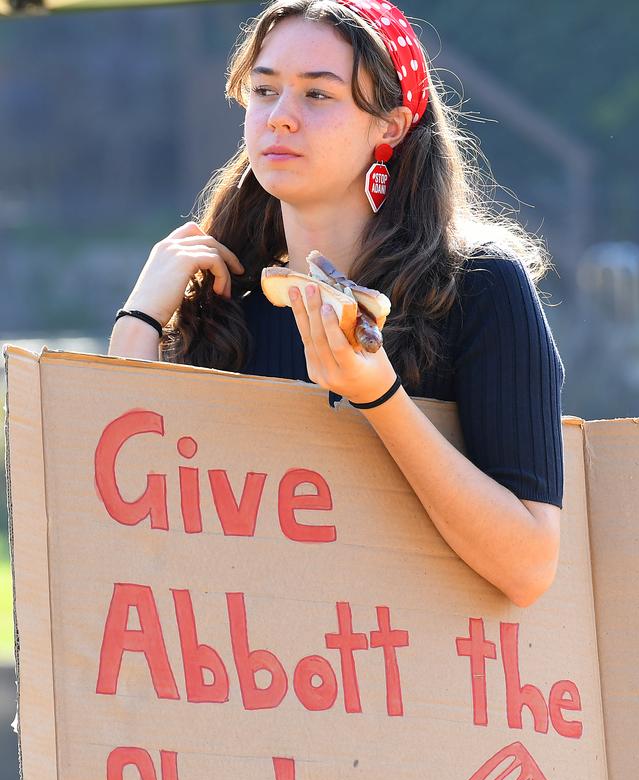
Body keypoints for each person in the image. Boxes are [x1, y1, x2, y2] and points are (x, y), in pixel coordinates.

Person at [108, 0, 565, 608]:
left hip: (397, 687)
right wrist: (136, 325)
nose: (280, 118)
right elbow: (117, 536)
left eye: (318, 96)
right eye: (264, 90)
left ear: (391, 126)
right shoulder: (219, 305)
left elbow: (529, 568)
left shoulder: (479, 286)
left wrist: (378, 396)